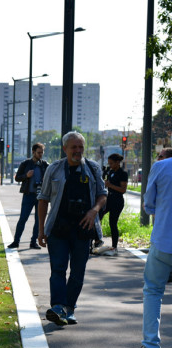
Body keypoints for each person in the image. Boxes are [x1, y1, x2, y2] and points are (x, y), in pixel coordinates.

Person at [36, 131, 107, 327]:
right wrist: (41, 231)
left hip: (84, 229)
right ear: (65, 148)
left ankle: (70, 308)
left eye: (80, 147)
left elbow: (103, 195)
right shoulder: (54, 169)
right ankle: (58, 307)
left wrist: (94, 211)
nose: (77, 150)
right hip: (58, 228)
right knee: (58, 269)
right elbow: (43, 199)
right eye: (73, 147)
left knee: (77, 273)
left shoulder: (93, 169)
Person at [134, 148, 172, 348]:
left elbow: (149, 205)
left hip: (164, 239)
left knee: (153, 291)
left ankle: (150, 344)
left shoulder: (161, 166)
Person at [9, 143, 48, 251]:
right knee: (23, 219)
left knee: (38, 221)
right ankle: (16, 241)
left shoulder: (45, 165)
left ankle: (33, 242)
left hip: (41, 197)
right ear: (33, 152)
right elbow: (17, 178)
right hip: (28, 195)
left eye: (42, 152)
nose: (41, 154)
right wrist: (26, 176)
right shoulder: (26, 164)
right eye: (39, 152)